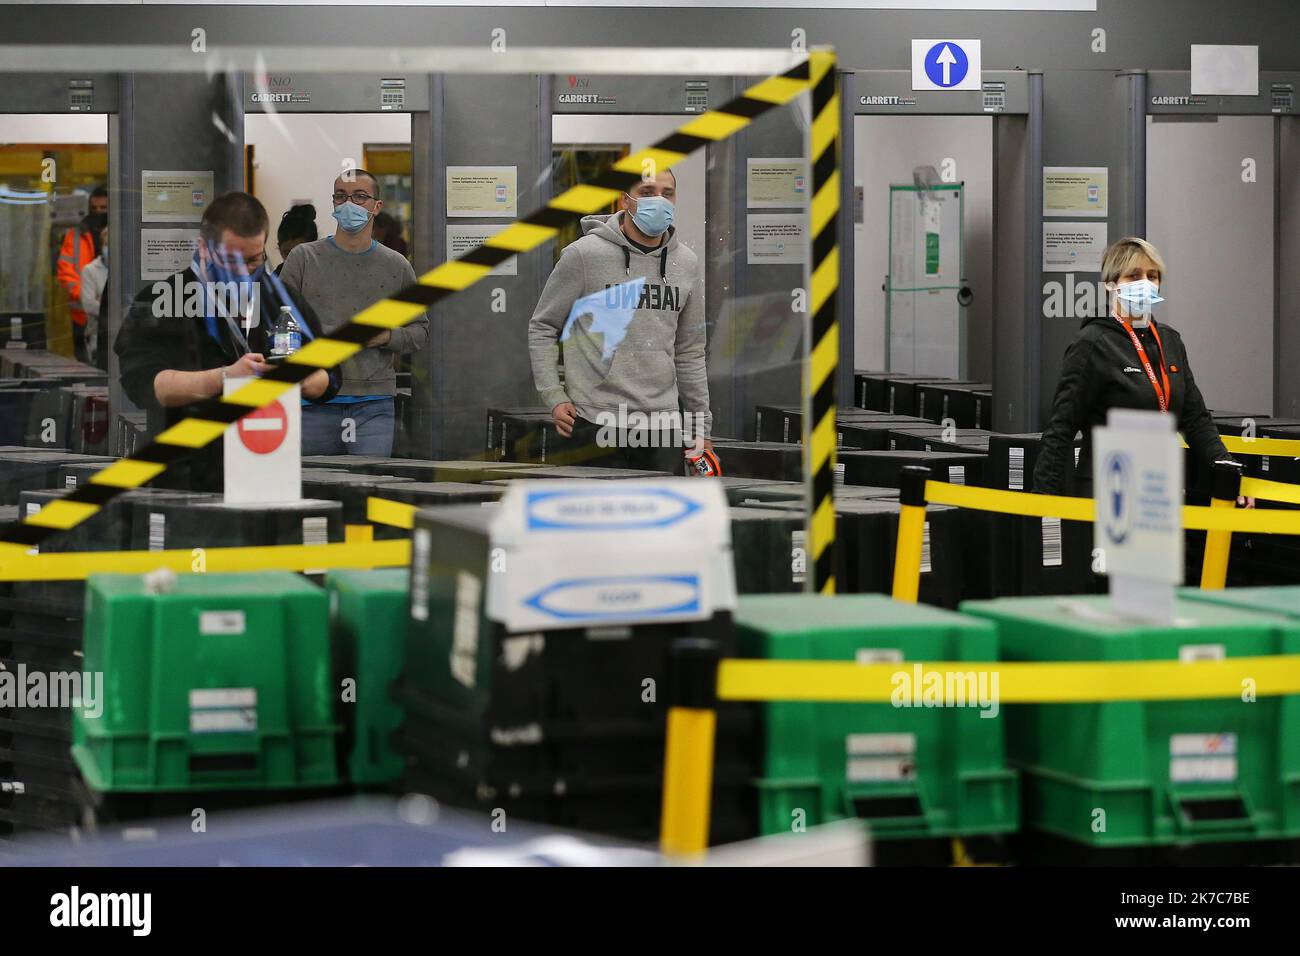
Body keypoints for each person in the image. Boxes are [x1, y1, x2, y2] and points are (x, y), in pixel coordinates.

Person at [115, 192, 338, 492]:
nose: (244, 273)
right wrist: (226, 377)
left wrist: (297, 377)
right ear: (204, 248)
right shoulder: (161, 301)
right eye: (231, 261)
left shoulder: (281, 300)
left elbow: (331, 377)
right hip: (186, 474)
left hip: (268, 471)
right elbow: (146, 385)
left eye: (253, 260)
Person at [1033, 236, 1248, 506]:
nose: (1145, 283)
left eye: (1152, 275)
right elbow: (1061, 427)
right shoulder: (1093, 343)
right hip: (1107, 493)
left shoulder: (1170, 341)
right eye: (1134, 275)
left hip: (1158, 490)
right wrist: (1043, 504)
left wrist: (1229, 473)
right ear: (1111, 284)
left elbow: (1196, 420)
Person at [528, 168, 711, 473]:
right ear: (625, 200)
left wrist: (699, 425)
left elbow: (690, 351)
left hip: (661, 423)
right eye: (648, 192)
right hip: (594, 420)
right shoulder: (584, 255)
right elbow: (543, 326)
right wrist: (554, 396)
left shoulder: (687, 264)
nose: (659, 201)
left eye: (667, 193)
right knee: (597, 519)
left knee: (659, 519)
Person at [279, 169, 429, 457]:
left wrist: (385, 336)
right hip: (313, 402)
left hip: (373, 405)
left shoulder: (396, 266)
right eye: (341, 196)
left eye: (360, 197)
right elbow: (279, 326)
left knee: (368, 490)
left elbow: (420, 331)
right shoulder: (304, 258)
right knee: (314, 492)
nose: (350, 204)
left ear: (377, 206)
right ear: (333, 203)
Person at [57, 185, 107, 362]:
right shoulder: (76, 235)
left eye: (103, 208)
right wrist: (86, 296)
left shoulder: (120, 233)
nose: (98, 212)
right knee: (85, 366)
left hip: (113, 318)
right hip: (82, 316)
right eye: (94, 208)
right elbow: (65, 271)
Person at [78, 225, 109, 369]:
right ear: (101, 245)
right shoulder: (90, 270)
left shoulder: (128, 269)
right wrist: (117, 308)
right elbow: (89, 304)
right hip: (98, 332)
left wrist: (102, 301)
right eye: (107, 244)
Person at [275, 204, 317, 275]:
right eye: (287, 253)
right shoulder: (274, 279)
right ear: (280, 248)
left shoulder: (325, 276)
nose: (293, 259)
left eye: (300, 253)